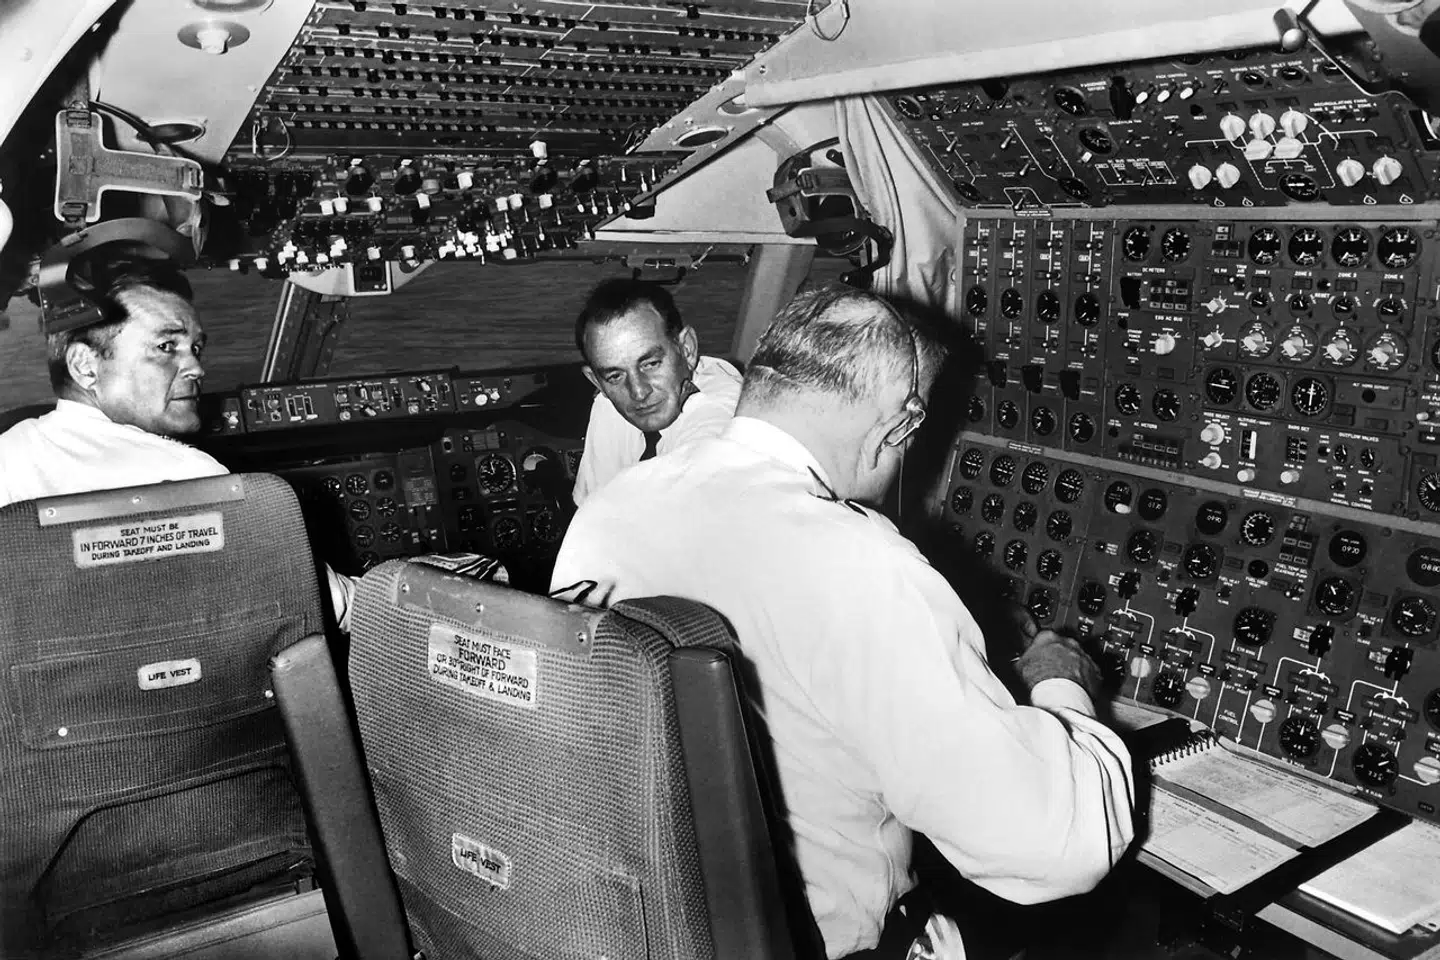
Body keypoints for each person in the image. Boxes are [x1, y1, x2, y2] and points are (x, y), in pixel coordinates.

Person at [551, 283, 1135, 958]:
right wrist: (1062, 693)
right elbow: (1053, 847)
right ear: (899, 425)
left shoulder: (606, 515)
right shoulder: (861, 560)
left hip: (648, 927)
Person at [0, 254, 357, 630]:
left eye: (196, 349)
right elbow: (331, 606)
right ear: (85, 366)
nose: (197, 368)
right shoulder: (193, 478)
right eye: (166, 348)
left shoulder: (6, 456)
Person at [570, 277, 741, 506]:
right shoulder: (606, 404)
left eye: (650, 364)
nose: (639, 392)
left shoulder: (727, 413)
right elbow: (593, 513)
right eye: (615, 376)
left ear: (687, 349)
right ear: (597, 382)